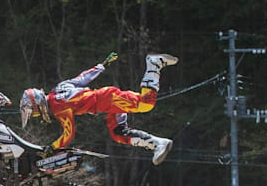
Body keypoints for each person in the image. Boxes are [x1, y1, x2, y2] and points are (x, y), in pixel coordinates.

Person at [19, 51, 179, 164]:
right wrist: (102, 65)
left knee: (146, 103)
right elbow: (83, 78)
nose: (37, 115)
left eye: (34, 112)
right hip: (106, 102)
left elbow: (68, 133)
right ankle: (158, 144)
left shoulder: (57, 107)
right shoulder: (59, 88)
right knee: (118, 133)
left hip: (108, 100)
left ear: (37, 103)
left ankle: (154, 64)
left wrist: (52, 148)